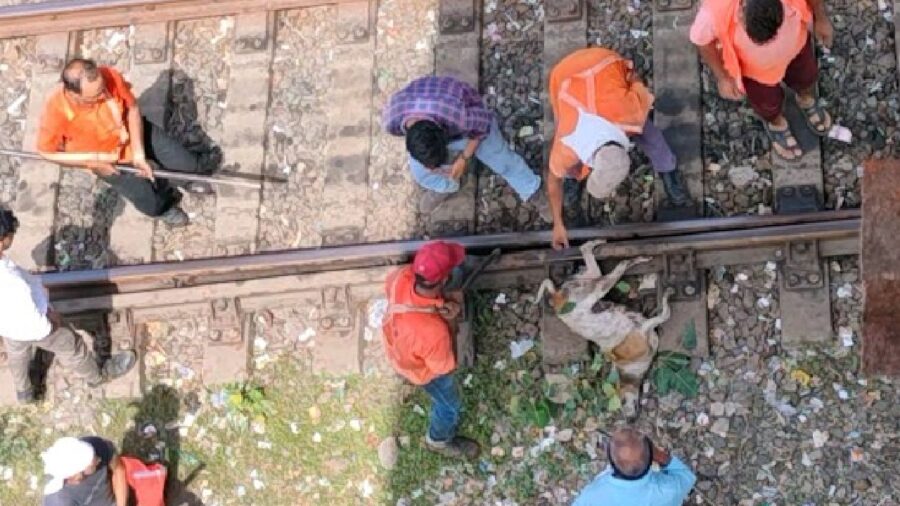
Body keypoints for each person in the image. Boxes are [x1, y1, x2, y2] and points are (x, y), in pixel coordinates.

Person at [37, 58, 220, 227]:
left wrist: (139, 153)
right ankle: (165, 208)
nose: (102, 96)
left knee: (187, 163)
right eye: (94, 97)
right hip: (109, 161)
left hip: (134, 133)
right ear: (73, 93)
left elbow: (132, 109)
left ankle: (188, 178)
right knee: (148, 200)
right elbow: (47, 152)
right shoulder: (56, 112)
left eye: (102, 90)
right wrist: (92, 162)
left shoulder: (109, 76)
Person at [545, 47, 692, 251]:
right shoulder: (566, 146)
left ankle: (668, 169)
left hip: (604, 62)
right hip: (566, 74)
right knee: (566, 166)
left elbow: (636, 82)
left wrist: (630, 79)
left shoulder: (630, 113)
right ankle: (573, 177)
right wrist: (558, 224)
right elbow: (553, 181)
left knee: (650, 135)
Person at [0, 207, 136, 404]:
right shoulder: (12, 282)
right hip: (34, 324)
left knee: (17, 354)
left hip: (7, 326)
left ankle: (24, 392)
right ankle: (96, 377)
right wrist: (50, 322)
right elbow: (35, 325)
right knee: (72, 347)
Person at [383, 75, 550, 218]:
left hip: (471, 116)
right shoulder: (392, 121)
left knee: (502, 159)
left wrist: (463, 158)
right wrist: (431, 167)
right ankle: (445, 187)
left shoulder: (459, 118)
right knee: (419, 172)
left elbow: (483, 125)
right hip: (434, 115)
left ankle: (531, 189)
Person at [691, 0, 833, 161]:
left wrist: (821, 19)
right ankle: (776, 122)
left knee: (806, 78)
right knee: (768, 105)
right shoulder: (714, 12)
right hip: (756, 74)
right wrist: (723, 78)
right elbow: (701, 41)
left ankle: (806, 99)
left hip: (797, 49)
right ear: (741, 11)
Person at [381, 240, 480, 459]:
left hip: (399, 344)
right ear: (444, 279)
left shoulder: (401, 277)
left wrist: (436, 305)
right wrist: (451, 321)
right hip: (423, 370)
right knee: (449, 406)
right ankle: (438, 440)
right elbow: (444, 367)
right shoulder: (434, 333)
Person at [573, 427, 696, 505]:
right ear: (651, 457)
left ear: (611, 463)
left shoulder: (592, 495)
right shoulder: (669, 489)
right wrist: (660, 455)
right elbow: (687, 477)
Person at [41, 436, 129, 506]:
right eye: (92, 463)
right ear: (76, 476)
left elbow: (118, 470)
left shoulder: (97, 447)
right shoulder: (59, 501)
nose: (99, 459)